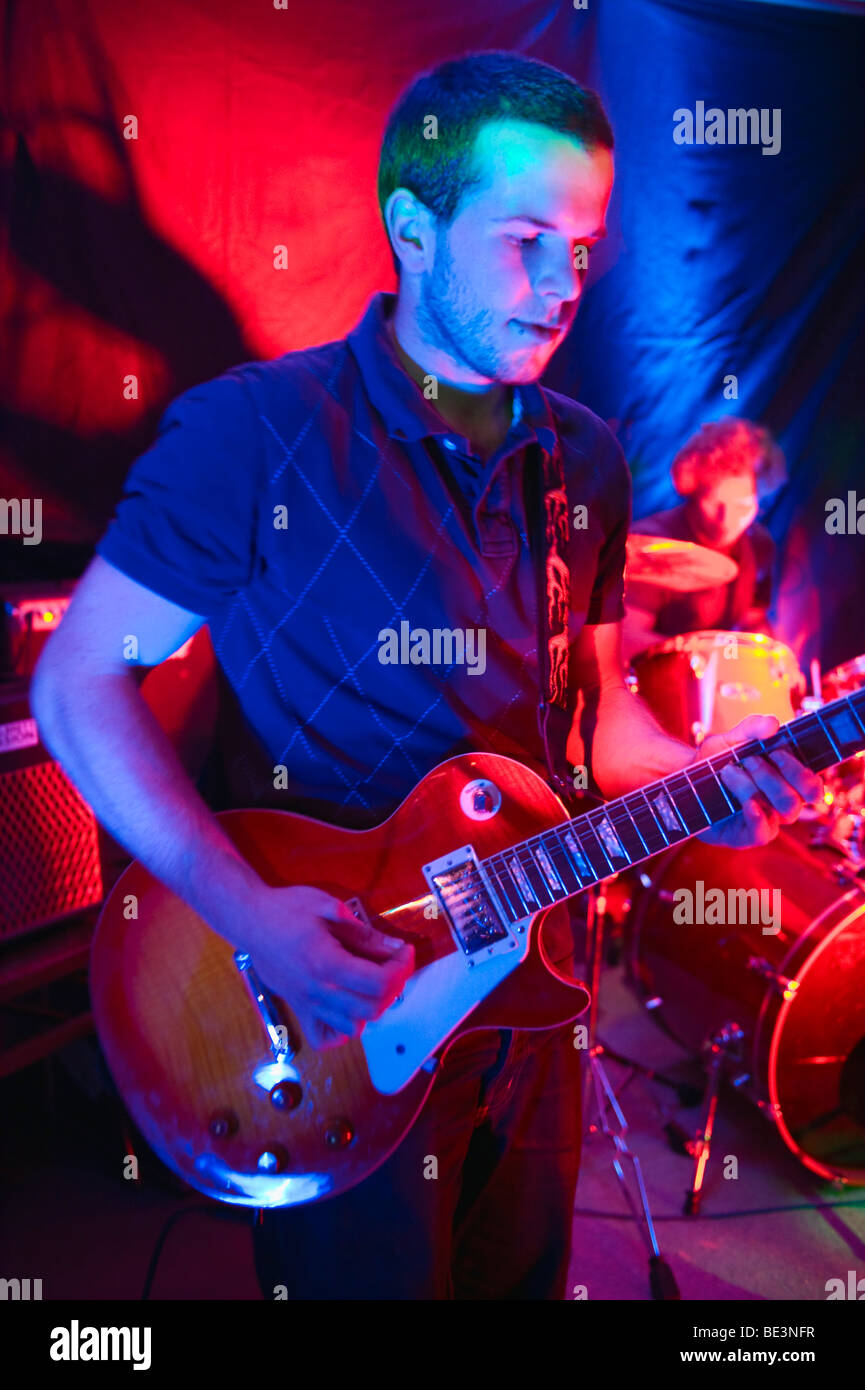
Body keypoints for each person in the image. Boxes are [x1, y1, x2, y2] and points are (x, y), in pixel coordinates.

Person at [30, 51, 820, 1301]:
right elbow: (74, 688)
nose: (565, 285)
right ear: (413, 226)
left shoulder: (591, 463)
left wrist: (711, 782)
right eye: (523, 240)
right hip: (328, 1005)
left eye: (584, 243)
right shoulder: (257, 433)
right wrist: (247, 916)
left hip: (534, 1003)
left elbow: (598, 728)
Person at [622, 417, 785, 660]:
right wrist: (708, 660)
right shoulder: (652, 542)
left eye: (742, 507)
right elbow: (626, 638)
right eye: (714, 504)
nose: (726, 520)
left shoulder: (759, 544)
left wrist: (776, 659)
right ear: (694, 490)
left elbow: (755, 623)